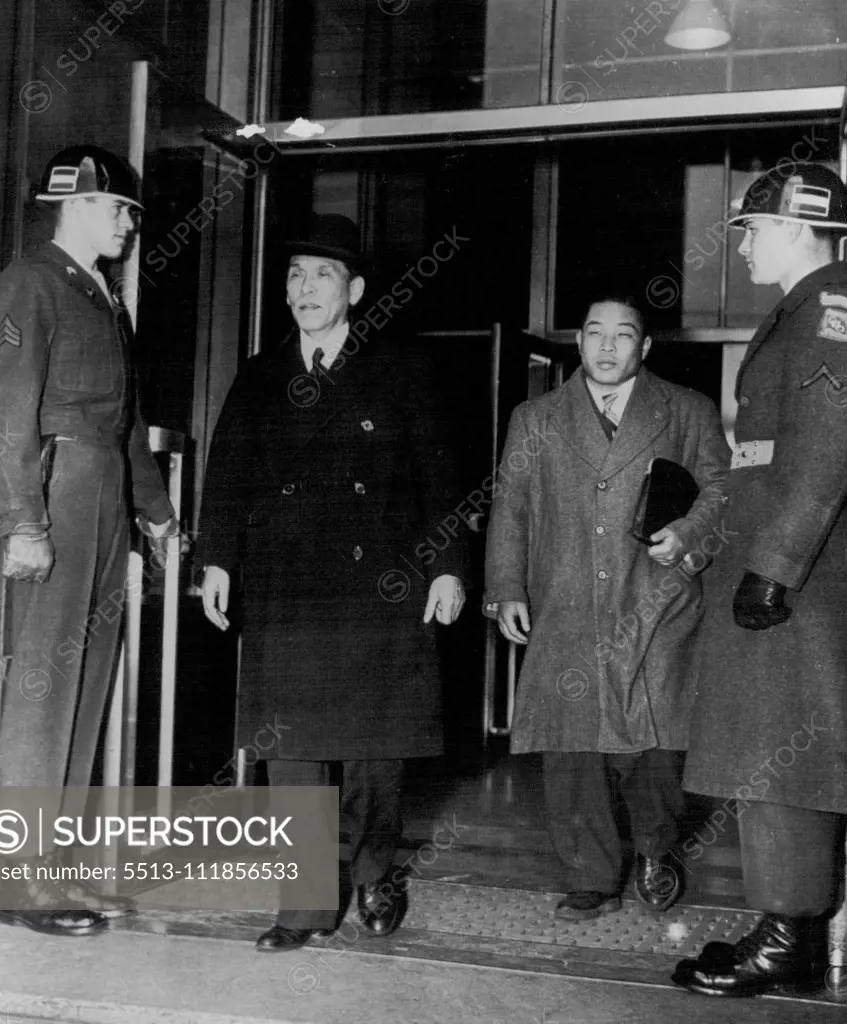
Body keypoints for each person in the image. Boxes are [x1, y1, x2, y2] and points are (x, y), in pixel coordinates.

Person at [196, 213, 467, 953]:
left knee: (375, 751)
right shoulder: (260, 374)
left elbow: (439, 474)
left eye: (321, 275)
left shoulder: (401, 368)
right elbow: (227, 476)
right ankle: (305, 904)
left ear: (353, 288)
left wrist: (446, 567)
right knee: (293, 754)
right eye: (293, 275)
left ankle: (375, 872)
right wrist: (216, 561)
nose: (304, 288)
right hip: (287, 586)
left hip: (380, 580)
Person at [0, 145, 177, 936]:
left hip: (105, 499)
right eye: (120, 209)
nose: (127, 223)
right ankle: (19, 883)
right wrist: (21, 521)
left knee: (86, 688)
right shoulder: (32, 284)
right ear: (77, 205)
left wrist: (154, 512)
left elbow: (125, 424)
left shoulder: (102, 300)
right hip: (57, 495)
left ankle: (55, 874)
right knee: (43, 693)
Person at [484, 294, 730, 921]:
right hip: (565, 600)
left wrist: (691, 536)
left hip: (658, 598)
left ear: (644, 348)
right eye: (595, 333)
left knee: (654, 746)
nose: (608, 346)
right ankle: (590, 875)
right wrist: (506, 586)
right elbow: (510, 506)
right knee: (573, 750)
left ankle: (657, 849)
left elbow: (723, 492)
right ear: (580, 342)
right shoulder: (535, 417)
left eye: (624, 335)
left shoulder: (688, 410)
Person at [674, 164, 847, 997]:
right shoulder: (800, 311)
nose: (741, 245)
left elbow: (825, 446)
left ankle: (788, 938)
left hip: (797, 583)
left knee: (785, 761)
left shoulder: (827, 309)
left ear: (796, 228)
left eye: (752, 229)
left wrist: (772, 567)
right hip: (779, 566)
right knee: (768, 758)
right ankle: (788, 933)